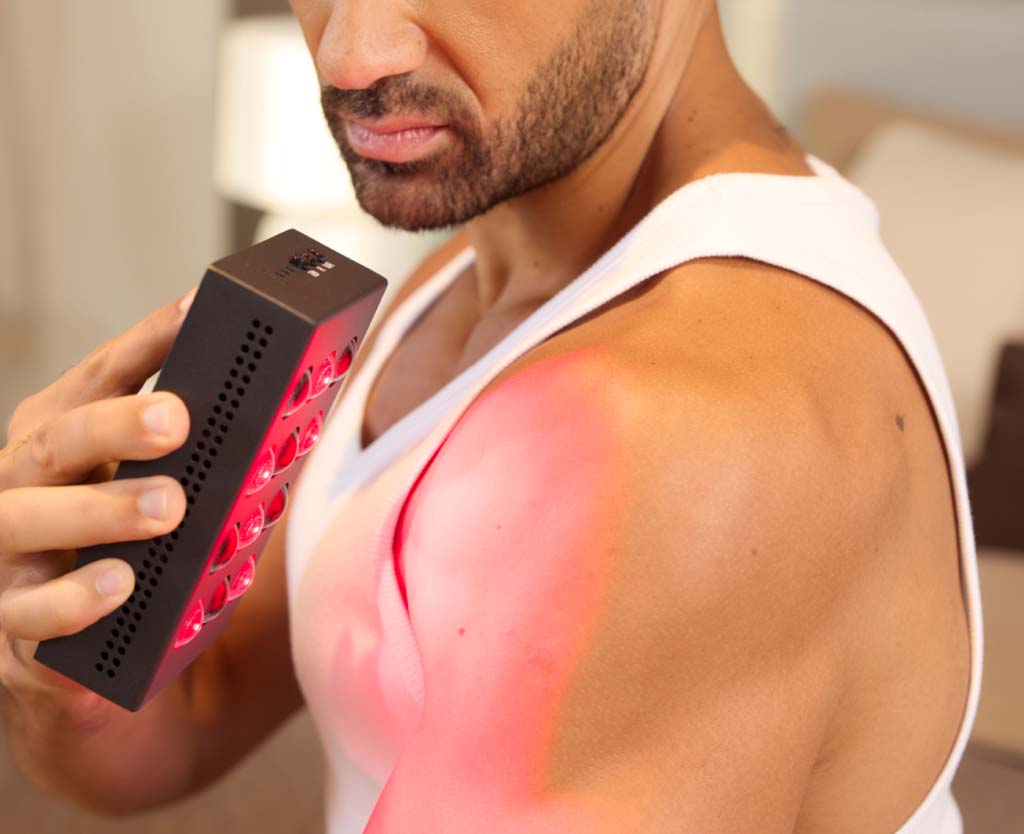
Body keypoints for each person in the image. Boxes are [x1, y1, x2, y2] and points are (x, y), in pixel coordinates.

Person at [0, 1, 980, 832]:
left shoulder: (672, 434)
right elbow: (196, 714)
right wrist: (67, 647)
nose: (351, 55)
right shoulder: (482, 264)